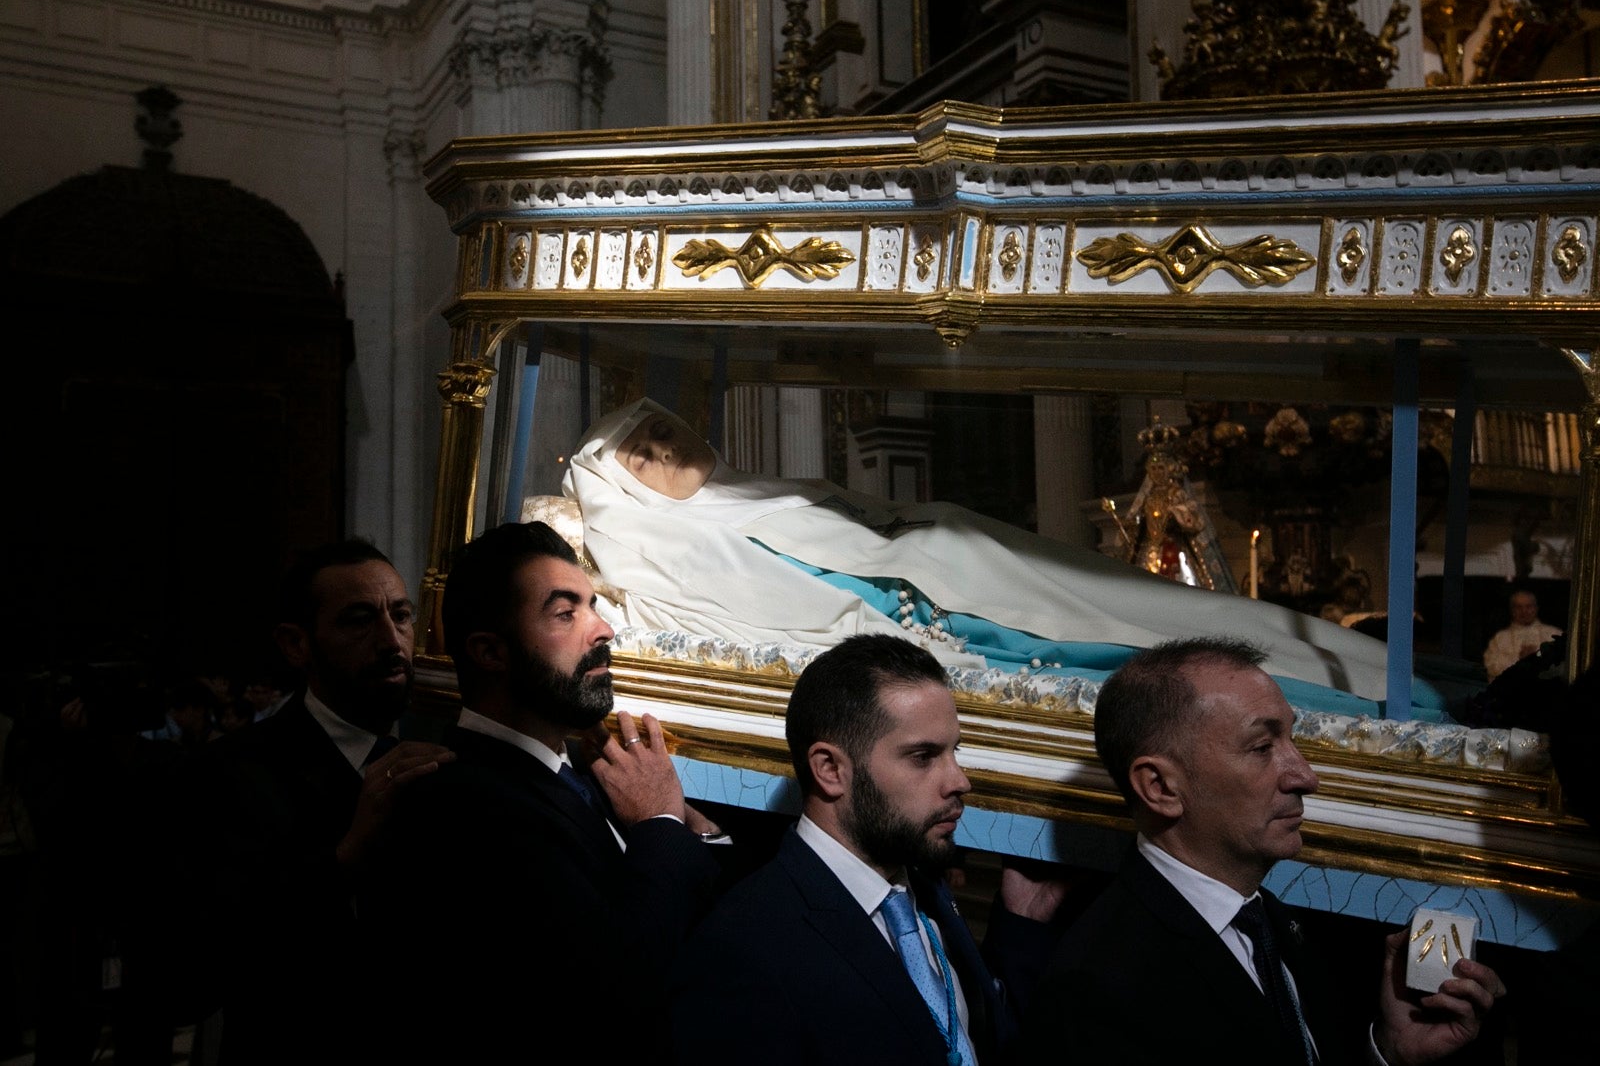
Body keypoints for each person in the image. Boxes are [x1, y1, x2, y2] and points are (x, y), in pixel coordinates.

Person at [563, 398, 1448, 721]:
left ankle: (1391, 679)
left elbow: (869, 529)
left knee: (1167, 611)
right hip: (971, 640)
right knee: (1151, 666)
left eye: (667, 430)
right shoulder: (669, 567)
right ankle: (1362, 705)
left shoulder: (761, 492)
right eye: (647, 453)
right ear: (624, 495)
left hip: (973, 568)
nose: (673, 450)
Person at [1015, 637, 1506, 1066]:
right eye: (1261, 747)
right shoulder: (1101, 991)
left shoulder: (1270, 923)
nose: (1305, 776)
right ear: (1161, 786)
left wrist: (1388, 1052)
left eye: (1291, 739)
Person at [357, 520, 723, 1062]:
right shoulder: (462, 804)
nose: (602, 630)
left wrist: (694, 827)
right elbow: (620, 990)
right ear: (490, 652)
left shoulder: (585, 773)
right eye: (565, 612)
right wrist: (658, 822)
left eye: (593, 605)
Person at [670, 632, 1061, 1066]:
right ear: (831, 770)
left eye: (954, 752)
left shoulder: (924, 894)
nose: (959, 781)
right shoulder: (747, 947)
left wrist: (1023, 926)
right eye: (923, 756)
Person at [185, 538, 452, 1066]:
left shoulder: (448, 754)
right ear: (295, 644)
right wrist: (344, 858)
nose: (391, 641)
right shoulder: (229, 773)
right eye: (358, 620)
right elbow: (199, 966)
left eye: (400, 616)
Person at [1483, 588, 1562, 681]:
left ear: (1536, 608)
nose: (1524, 611)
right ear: (1512, 610)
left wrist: (1537, 658)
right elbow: (1491, 667)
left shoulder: (1553, 634)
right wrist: (1520, 660)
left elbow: (1563, 667)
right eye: (1518, 607)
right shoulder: (1500, 638)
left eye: (1528, 606)